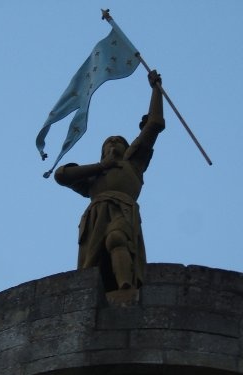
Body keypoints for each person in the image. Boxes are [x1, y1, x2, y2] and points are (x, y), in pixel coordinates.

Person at [54, 70, 164, 291]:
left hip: (123, 208)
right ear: (102, 151)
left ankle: (125, 286)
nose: (114, 143)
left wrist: (156, 90)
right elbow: (61, 175)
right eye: (109, 142)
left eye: (119, 141)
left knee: (117, 238)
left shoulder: (133, 163)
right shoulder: (94, 175)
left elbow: (155, 123)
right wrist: (102, 166)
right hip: (96, 215)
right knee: (91, 265)